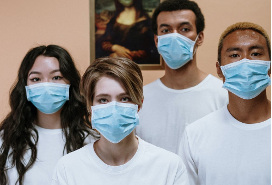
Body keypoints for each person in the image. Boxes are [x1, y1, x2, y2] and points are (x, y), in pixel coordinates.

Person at [51, 57, 189, 185]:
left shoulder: (169, 167)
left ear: (139, 104)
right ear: (90, 107)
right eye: (103, 100)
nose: (114, 108)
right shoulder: (68, 169)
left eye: (124, 99)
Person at [178, 22, 271, 185]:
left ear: (269, 66)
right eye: (235, 55)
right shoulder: (195, 135)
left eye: (255, 54)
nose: (245, 62)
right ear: (219, 69)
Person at [136, 0, 228, 154]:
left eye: (184, 29)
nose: (174, 36)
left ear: (199, 37)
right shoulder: (140, 100)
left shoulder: (223, 95)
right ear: (157, 40)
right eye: (166, 30)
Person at [0, 45, 97, 185]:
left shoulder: (92, 142)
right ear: (24, 86)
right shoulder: (6, 141)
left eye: (56, 77)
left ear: (70, 83)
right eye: (36, 79)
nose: (46, 85)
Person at [95, 0, 160, 64]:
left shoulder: (145, 21)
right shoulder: (114, 19)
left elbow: (150, 50)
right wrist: (115, 48)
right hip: (114, 63)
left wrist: (121, 56)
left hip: (136, 63)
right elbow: (104, 41)